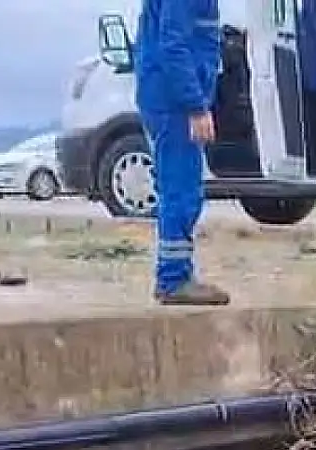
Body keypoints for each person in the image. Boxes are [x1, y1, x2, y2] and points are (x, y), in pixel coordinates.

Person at [134, 0, 231, 305]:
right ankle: (174, 279)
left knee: (178, 187)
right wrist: (195, 105)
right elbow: (173, 45)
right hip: (173, 103)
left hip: (167, 96)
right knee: (181, 189)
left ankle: (175, 274)